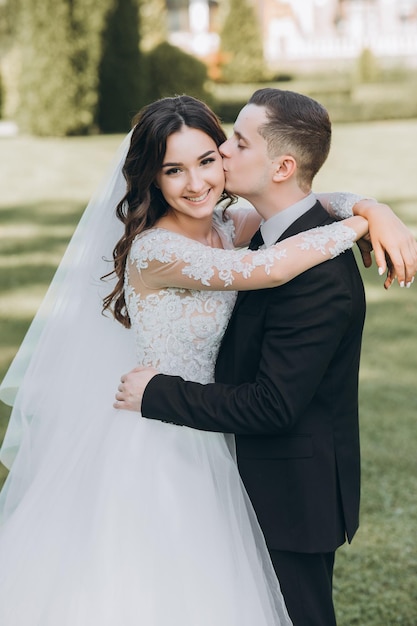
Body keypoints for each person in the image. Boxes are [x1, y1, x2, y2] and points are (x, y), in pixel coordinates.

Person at [0, 95, 412, 626]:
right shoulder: (158, 250)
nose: (196, 181)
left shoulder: (228, 223)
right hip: (159, 432)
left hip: (215, 433)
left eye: (212, 156)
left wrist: (373, 208)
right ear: (153, 177)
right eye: (173, 170)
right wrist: (358, 227)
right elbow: (267, 270)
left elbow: (319, 199)